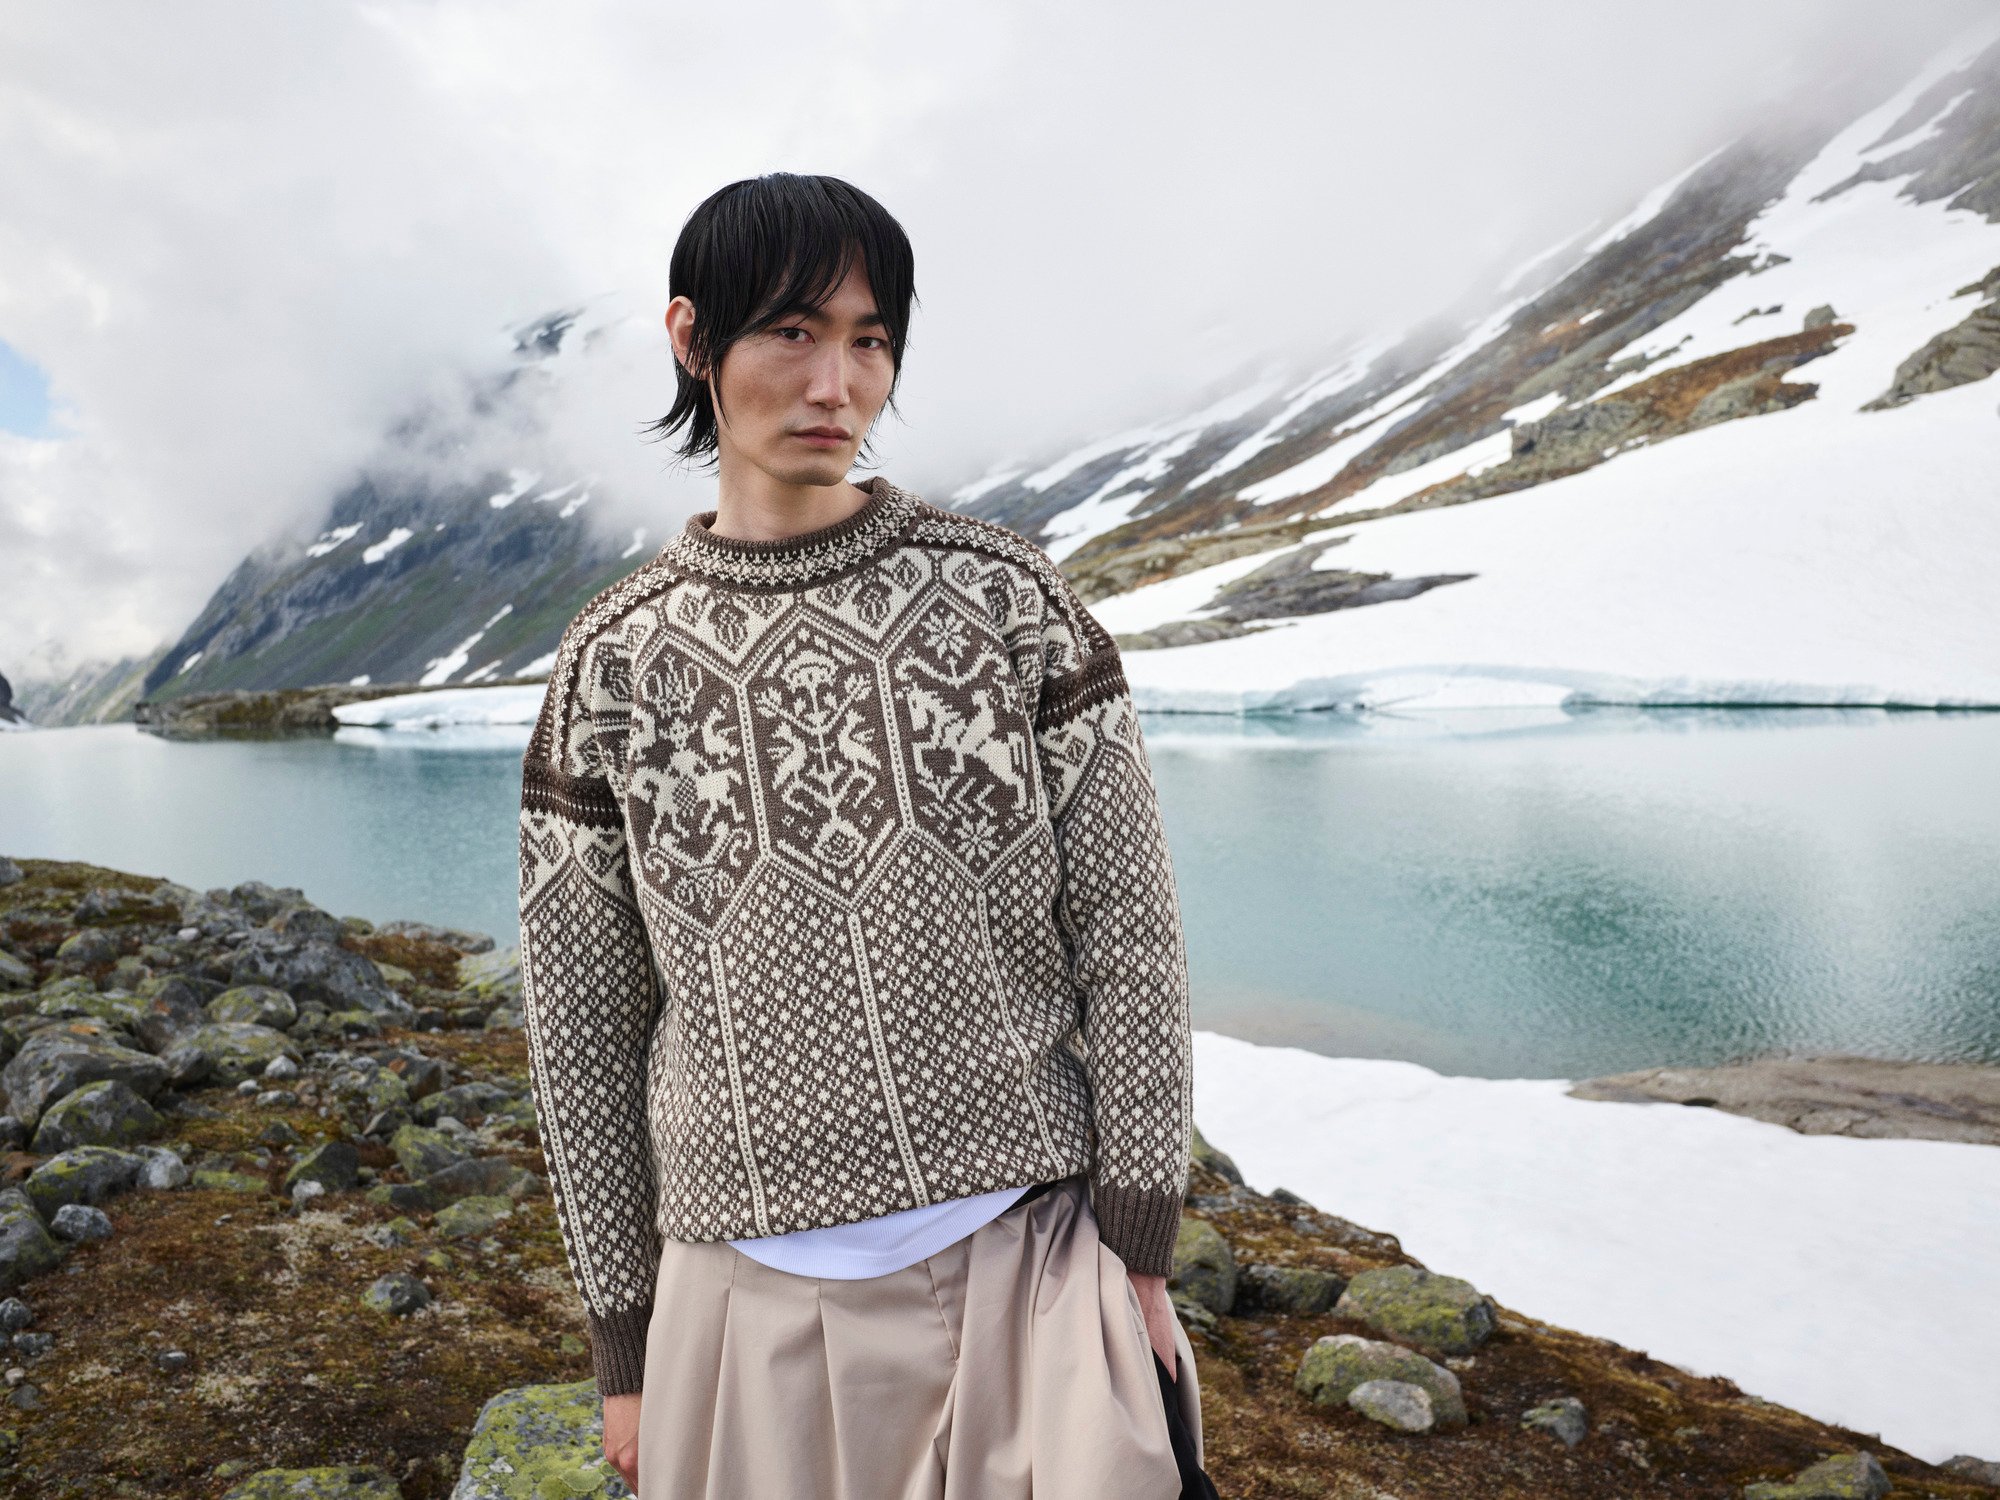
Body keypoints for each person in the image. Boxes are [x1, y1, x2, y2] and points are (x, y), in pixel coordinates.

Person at [517, 171, 1208, 1499]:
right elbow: (586, 1029)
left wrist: (1141, 1248)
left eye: (871, 337)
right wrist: (626, 1347)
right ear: (691, 338)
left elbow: (1130, 934)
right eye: (792, 332)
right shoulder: (612, 664)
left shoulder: (1008, 601)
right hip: (744, 1301)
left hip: (1034, 1266)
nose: (838, 381)